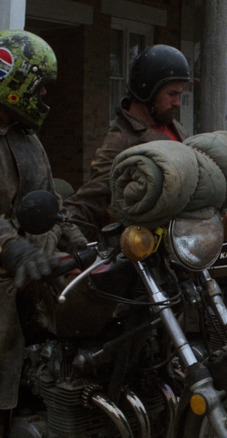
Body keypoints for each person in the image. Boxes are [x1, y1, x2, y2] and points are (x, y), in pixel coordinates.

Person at [0, 30, 86, 433]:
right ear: (17, 83)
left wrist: (77, 239)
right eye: (41, 87)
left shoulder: (28, 137)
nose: (46, 98)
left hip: (37, 267)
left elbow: (52, 200)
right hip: (6, 271)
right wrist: (11, 247)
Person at [64, 44, 189, 236]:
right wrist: (68, 236)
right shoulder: (121, 140)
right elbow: (89, 200)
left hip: (188, 242)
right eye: (172, 94)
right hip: (147, 250)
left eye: (179, 95)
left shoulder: (174, 126)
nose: (177, 103)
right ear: (147, 90)